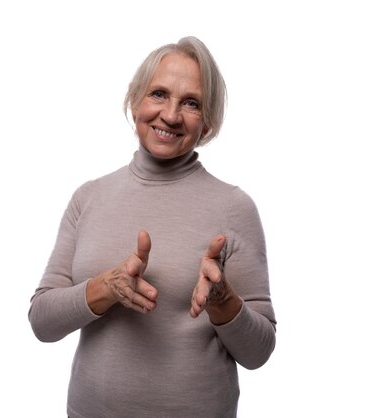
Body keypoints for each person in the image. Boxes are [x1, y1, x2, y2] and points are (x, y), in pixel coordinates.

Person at [28, 36, 276, 418]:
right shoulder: (89, 197)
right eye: (158, 94)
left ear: (207, 119)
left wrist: (225, 303)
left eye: (191, 102)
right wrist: (104, 289)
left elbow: (258, 354)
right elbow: (42, 322)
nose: (172, 115)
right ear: (135, 100)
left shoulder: (233, 208)